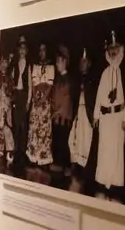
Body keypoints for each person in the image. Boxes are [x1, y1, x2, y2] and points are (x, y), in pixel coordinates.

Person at [92, 31, 125, 201]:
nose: (113, 54)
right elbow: (99, 95)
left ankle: (115, 182)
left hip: (118, 117)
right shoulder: (105, 73)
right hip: (106, 118)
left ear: (120, 52)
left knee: (116, 150)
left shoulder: (123, 72)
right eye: (110, 51)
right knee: (105, 149)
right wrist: (96, 116)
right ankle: (103, 180)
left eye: (116, 51)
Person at [69, 48, 97, 194]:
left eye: (85, 61)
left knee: (86, 141)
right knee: (75, 140)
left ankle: (85, 171)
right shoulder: (77, 79)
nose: (82, 64)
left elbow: (93, 99)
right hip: (78, 113)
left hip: (87, 113)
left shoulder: (92, 79)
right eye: (81, 61)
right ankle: (77, 168)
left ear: (89, 63)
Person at [27, 43, 55, 167]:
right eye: (40, 50)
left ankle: (43, 157)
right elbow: (33, 84)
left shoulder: (51, 67)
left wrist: (43, 99)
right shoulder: (35, 66)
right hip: (36, 100)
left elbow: (49, 86)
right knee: (34, 127)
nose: (41, 52)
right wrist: (34, 98)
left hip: (45, 101)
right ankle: (33, 155)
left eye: (43, 50)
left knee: (43, 128)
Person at [51, 46, 75, 178]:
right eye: (56, 62)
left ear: (65, 61)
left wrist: (58, 111)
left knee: (64, 141)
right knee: (57, 140)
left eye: (59, 61)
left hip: (64, 117)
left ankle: (66, 166)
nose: (57, 64)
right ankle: (58, 164)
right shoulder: (58, 79)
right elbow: (54, 96)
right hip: (56, 116)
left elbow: (67, 99)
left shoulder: (69, 80)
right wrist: (53, 110)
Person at [10, 36, 31, 173]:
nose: (22, 51)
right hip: (17, 96)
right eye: (20, 49)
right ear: (18, 50)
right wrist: (12, 97)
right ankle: (16, 149)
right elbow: (12, 82)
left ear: (26, 51)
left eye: (24, 49)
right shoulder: (15, 65)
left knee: (24, 124)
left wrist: (29, 101)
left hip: (24, 95)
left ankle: (23, 150)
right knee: (16, 123)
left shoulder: (28, 65)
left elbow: (29, 84)